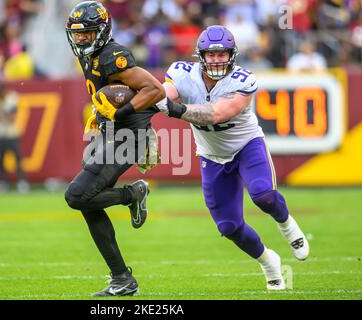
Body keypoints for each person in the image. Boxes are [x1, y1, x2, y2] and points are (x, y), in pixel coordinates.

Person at [157, 25, 310, 290]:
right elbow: (164, 95)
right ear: (200, 55)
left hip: (246, 145)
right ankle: (268, 261)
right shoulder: (182, 73)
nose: (217, 59)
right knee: (229, 227)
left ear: (232, 55)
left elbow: (216, 114)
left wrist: (173, 109)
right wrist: (146, 101)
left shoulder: (243, 79)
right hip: (212, 155)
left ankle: (287, 225)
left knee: (264, 195)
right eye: (211, 54)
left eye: (222, 54)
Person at [64, 1, 165, 296]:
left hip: (129, 136)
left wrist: (119, 114)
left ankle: (133, 193)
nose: (81, 40)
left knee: (76, 195)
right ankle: (122, 278)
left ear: (103, 31)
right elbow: (104, 93)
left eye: (88, 34)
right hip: (110, 134)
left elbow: (155, 90)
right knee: (86, 200)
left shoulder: (113, 56)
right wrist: (99, 117)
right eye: (78, 35)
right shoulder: (89, 55)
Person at [0, 83, 29, 193]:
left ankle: (21, 181)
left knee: (17, 158)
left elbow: (12, 118)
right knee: (0, 159)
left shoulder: (12, 98)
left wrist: (2, 112)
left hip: (11, 132)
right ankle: (3, 181)